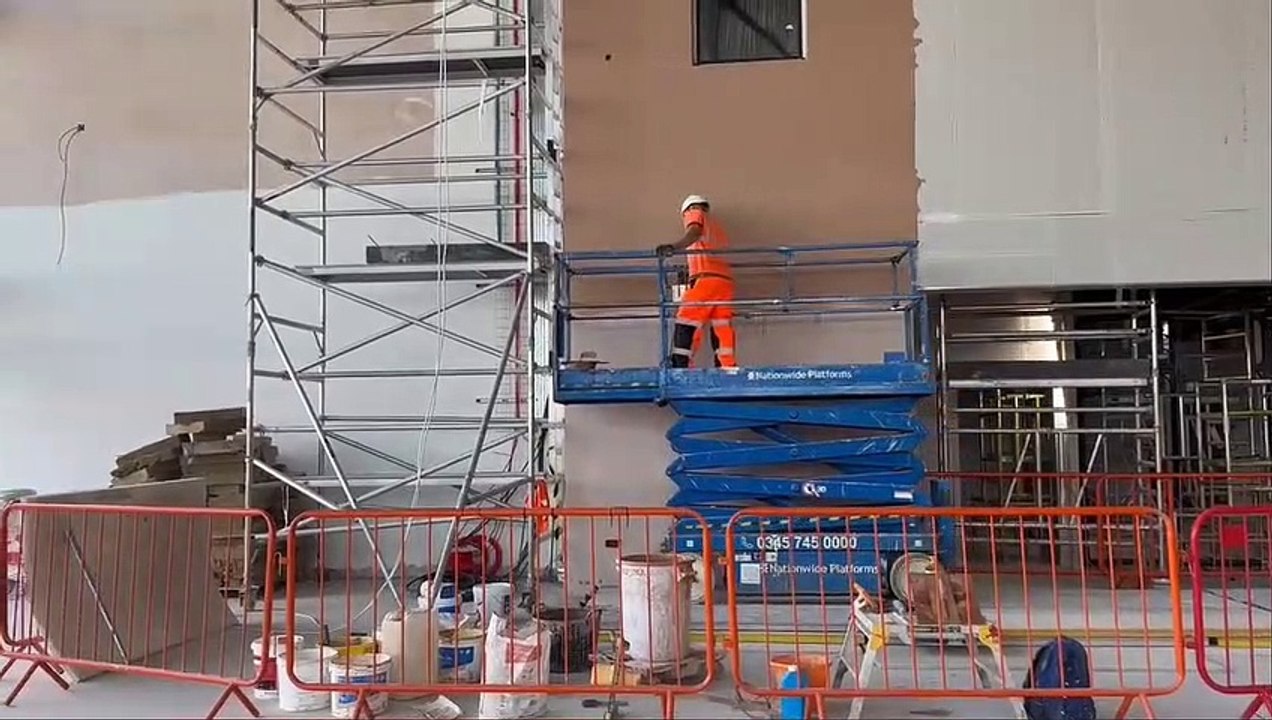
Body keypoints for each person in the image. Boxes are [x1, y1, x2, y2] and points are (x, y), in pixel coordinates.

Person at [656, 195, 737, 369]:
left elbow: (694, 231)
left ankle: (681, 366)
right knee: (721, 327)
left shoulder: (695, 213)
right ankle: (727, 368)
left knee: (687, 319)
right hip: (724, 283)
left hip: (705, 280)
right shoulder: (718, 229)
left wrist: (674, 247)